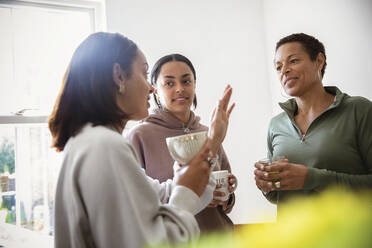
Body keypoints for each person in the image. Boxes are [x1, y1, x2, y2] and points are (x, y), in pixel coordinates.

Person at [48, 32, 234, 248]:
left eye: (186, 81)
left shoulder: (90, 142)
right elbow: (155, 242)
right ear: (119, 75)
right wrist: (207, 151)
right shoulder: (106, 146)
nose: (150, 87)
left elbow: (163, 194)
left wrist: (211, 145)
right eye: (144, 74)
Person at [254, 33, 372, 207]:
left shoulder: (358, 110)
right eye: (278, 67)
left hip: (350, 233)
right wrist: (267, 185)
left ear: (319, 61)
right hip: (292, 234)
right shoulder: (276, 124)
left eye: (293, 61)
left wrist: (313, 178)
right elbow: (277, 196)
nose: (284, 70)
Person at [127, 54, 236, 233]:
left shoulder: (209, 131)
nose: (180, 89)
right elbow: (136, 202)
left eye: (186, 81)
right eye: (169, 83)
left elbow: (228, 196)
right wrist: (196, 193)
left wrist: (226, 197)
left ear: (194, 84)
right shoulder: (139, 135)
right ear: (154, 90)